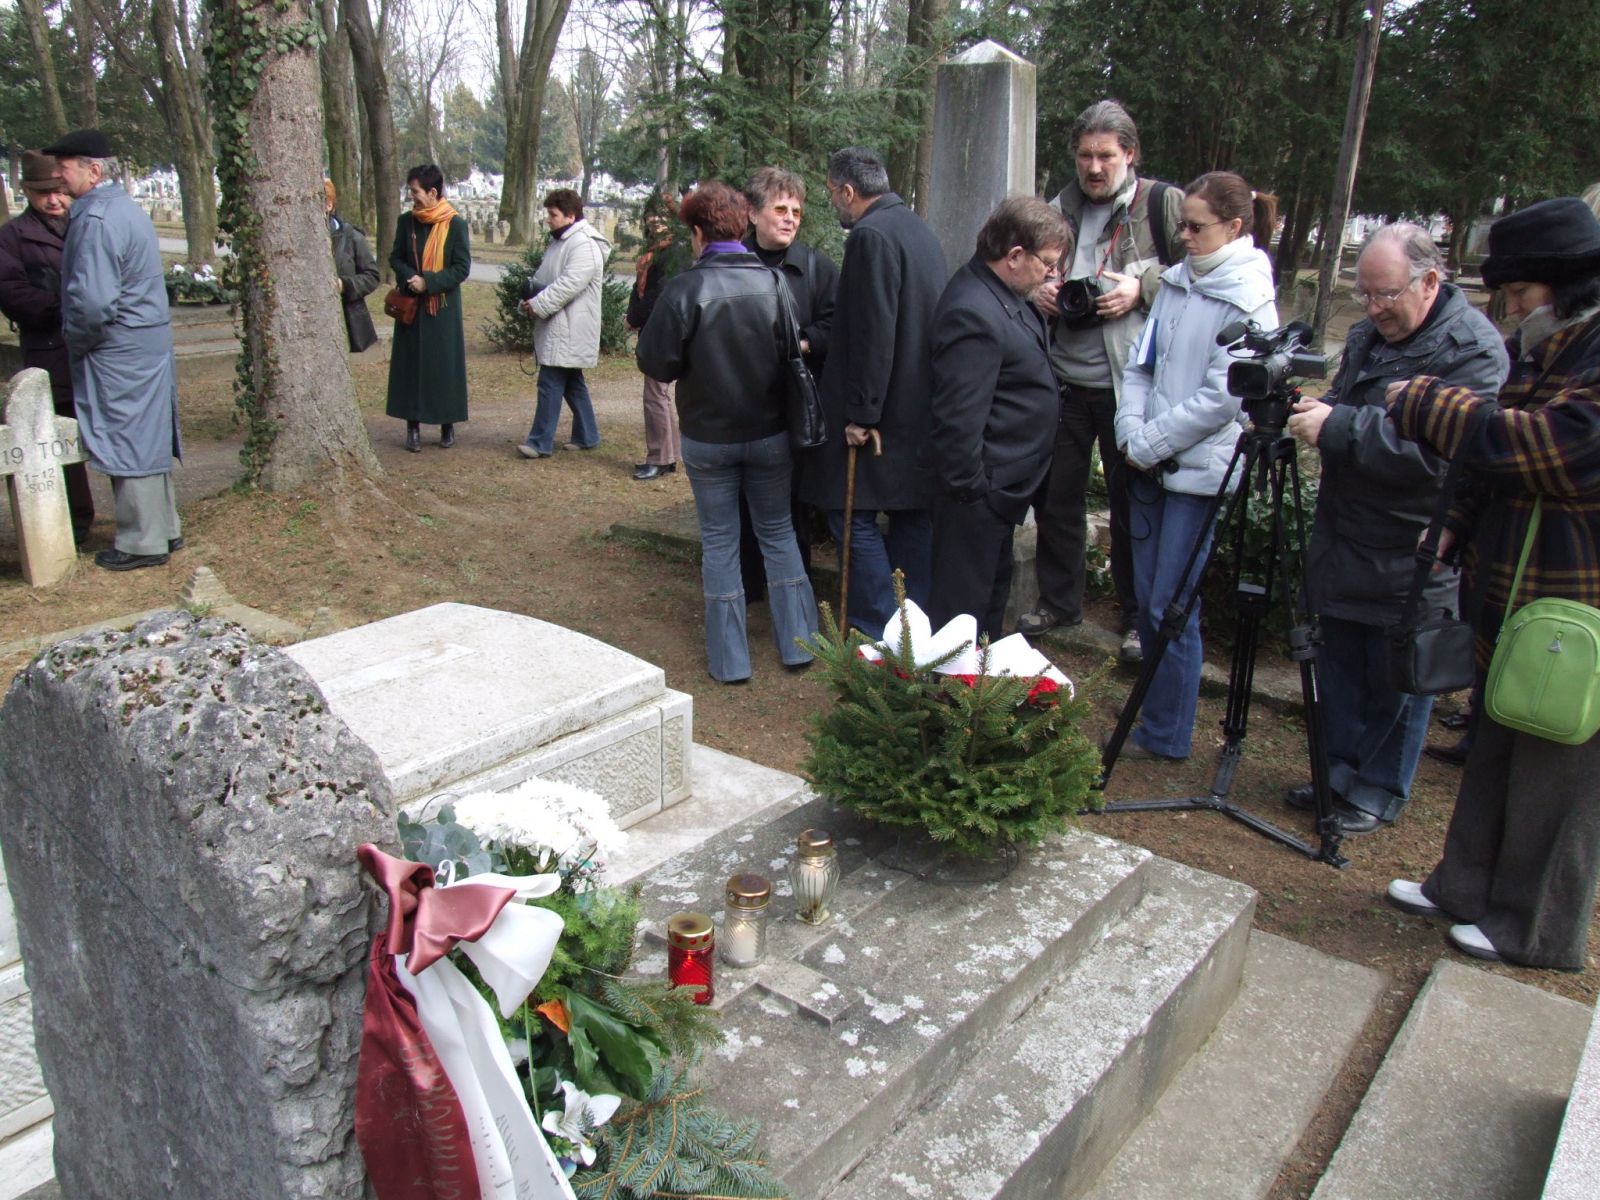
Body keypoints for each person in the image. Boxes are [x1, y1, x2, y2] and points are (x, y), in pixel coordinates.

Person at [1384, 197, 1600, 970]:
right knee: (1496, 740)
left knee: (1558, 767)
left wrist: (1430, 403)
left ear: (1563, 284)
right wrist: (1456, 522)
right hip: (1518, 589)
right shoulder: (1548, 349)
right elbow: (1492, 463)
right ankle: (1465, 886)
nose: (1509, 305)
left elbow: (1551, 449)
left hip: (1578, 603)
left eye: (1519, 289)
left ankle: (1533, 927)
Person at [1285, 224, 1506, 835]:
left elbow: (1444, 455)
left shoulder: (1472, 351)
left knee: (1400, 675)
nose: (1373, 308)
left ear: (1429, 281)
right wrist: (1317, 410)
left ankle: (1379, 789)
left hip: (1415, 541)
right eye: (1364, 294)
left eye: (1386, 294)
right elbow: (1343, 400)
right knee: (1342, 661)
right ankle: (1335, 773)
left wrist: (1338, 427)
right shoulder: (1368, 334)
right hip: (1347, 530)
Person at [1114, 171, 1278, 761]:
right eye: (1182, 224)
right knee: (1148, 598)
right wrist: (1129, 430)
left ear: (1233, 227)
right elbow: (1141, 364)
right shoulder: (1177, 281)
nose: (1182, 235)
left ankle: (1166, 732)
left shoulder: (1250, 297)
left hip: (1196, 476)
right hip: (1149, 463)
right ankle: (1155, 714)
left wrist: (1149, 441)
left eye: (1195, 226)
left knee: (1171, 604)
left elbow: (1224, 398)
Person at [636, 182, 819, 683]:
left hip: (709, 438)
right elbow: (792, 352)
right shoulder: (774, 282)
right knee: (777, 532)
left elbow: (656, 362)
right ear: (742, 227)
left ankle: (730, 660)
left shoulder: (685, 288)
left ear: (698, 232)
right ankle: (800, 645)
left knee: (720, 541)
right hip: (770, 434)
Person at [1022, 100, 1184, 664]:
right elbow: (1027, 268)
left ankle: (1137, 616)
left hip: (1129, 385)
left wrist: (1142, 288)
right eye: (1085, 155)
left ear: (1129, 155)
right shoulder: (1056, 209)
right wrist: (1039, 291)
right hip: (1064, 378)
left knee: (1131, 504)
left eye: (1106, 156)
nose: (1094, 167)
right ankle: (1058, 601)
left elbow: (1198, 269)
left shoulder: (1161, 205)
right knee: (1056, 499)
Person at [798, 146, 944, 634]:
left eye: (830, 193)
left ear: (847, 191)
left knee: (850, 515)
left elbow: (872, 330)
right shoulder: (917, 229)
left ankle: (881, 628)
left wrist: (862, 413)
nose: (833, 203)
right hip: (917, 405)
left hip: (882, 411)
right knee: (910, 516)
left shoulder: (870, 235)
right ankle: (916, 630)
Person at [928, 197, 1071, 639]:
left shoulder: (1005, 294)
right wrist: (978, 490)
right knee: (962, 617)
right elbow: (959, 419)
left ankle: (978, 677)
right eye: (1047, 264)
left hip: (999, 491)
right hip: (978, 498)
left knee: (989, 605)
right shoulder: (972, 310)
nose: (1051, 275)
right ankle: (955, 682)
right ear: (1014, 256)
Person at [44, 129, 181, 571]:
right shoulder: (123, 208)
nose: (58, 175)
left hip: (118, 348)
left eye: (65, 166)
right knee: (145, 434)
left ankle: (142, 541)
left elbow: (93, 302)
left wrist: (76, 340)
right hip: (143, 343)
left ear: (94, 170)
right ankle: (163, 527)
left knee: (128, 436)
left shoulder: (97, 219)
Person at [739, 165, 839, 593]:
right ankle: (749, 586)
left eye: (796, 211)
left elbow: (838, 324)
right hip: (738, 407)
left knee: (791, 508)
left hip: (794, 409)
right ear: (752, 213)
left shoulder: (817, 268)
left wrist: (802, 344)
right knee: (740, 504)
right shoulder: (729, 262)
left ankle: (793, 591)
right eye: (780, 209)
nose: (790, 219)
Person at [0, 150, 93, 542]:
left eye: (58, 191)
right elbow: (11, 292)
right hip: (49, 349)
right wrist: (67, 308)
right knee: (56, 437)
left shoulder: (88, 223)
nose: (53, 200)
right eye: (43, 193)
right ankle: (76, 521)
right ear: (26, 191)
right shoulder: (12, 237)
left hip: (94, 350)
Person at [518, 188, 610, 459]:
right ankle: (587, 435)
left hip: (570, 327)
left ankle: (539, 442)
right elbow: (543, 278)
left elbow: (568, 285)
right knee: (572, 383)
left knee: (550, 382)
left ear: (570, 216)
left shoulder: (584, 245)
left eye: (553, 214)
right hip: (558, 324)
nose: (548, 219)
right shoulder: (561, 242)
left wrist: (537, 305)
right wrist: (528, 300)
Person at [386, 164, 470, 453]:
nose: (412, 197)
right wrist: (411, 277)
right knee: (411, 367)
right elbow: (395, 257)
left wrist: (430, 282)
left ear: (433, 192)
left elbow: (461, 268)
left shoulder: (455, 224)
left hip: (442, 310)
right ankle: (413, 427)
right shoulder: (406, 222)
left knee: (443, 367)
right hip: (412, 308)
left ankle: (447, 423)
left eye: (415, 191)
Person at [626, 193, 681, 481]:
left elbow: (659, 296)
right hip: (653, 328)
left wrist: (634, 318)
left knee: (655, 395)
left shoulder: (673, 252)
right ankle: (668, 456)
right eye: (650, 214)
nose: (655, 220)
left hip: (663, 330)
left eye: (661, 214)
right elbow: (639, 290)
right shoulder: (655, 251)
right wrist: (631, 314)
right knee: (659, 395)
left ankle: (660, 458)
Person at [325, 179, 380, 353]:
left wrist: (345, 285)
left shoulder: (353, 237)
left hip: (345, 319)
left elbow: (372, 277)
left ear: (329, 204)